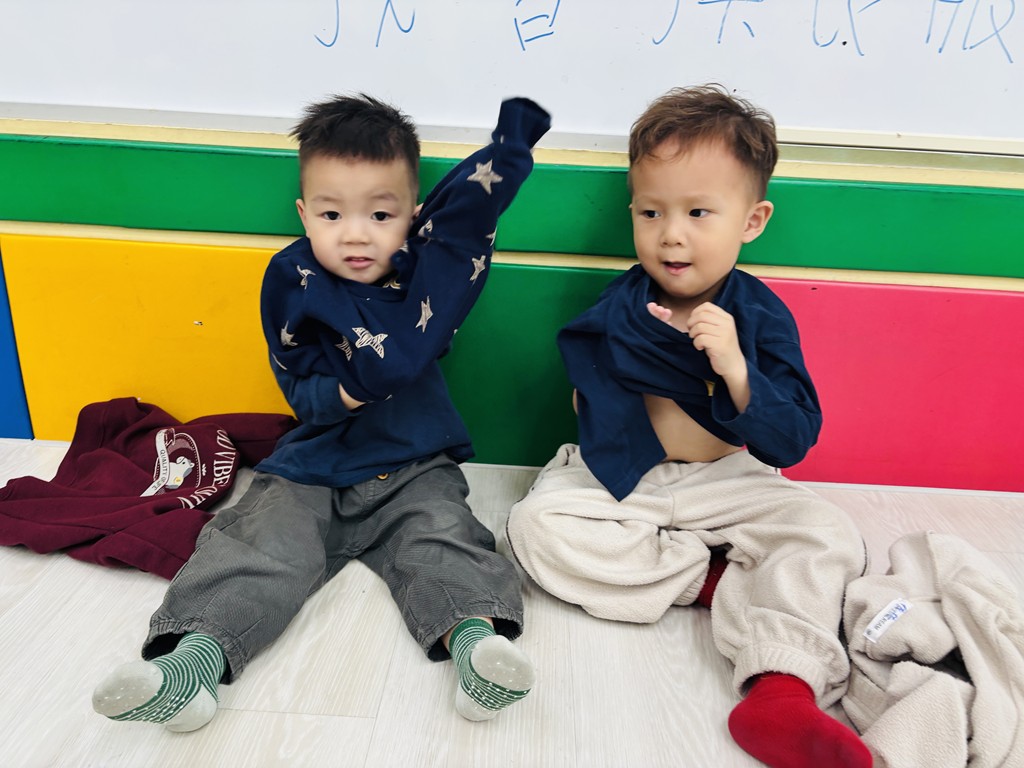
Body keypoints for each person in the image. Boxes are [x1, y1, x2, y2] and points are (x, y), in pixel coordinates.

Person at [92, 93, 551, 731]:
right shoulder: (294, 279)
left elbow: (448, 276)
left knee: (443, 538)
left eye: (380, 214)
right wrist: (347, 393)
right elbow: (298, 383)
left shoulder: (424, 279)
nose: (356, 233)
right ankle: (191, 668)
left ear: (412, 216)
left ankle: (477, 655)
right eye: (333, 214)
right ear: (305, 214)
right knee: (260, 544)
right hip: (315, 464)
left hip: (413, 463)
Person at [505, 85, 871, 768]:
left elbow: (792, 438)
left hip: (726, 478)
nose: (671, 234)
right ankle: (714, 580)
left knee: (827, 533)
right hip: (631, 481)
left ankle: (781, 688)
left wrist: (734, 368)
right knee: (533, 528)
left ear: (752, 220)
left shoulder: (758, 315)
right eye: (651, 212)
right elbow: (588, 367)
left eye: (699, 212)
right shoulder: (623, 303)